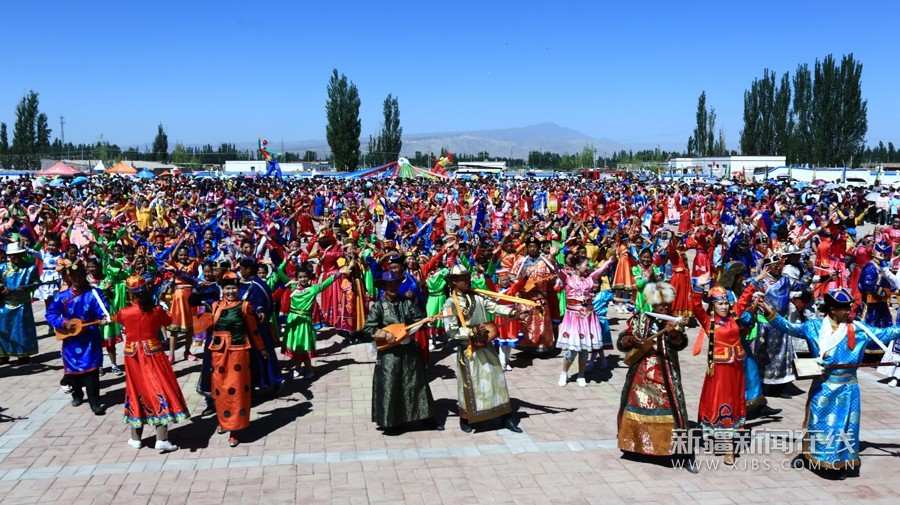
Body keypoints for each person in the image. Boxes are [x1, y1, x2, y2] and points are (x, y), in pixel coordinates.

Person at [760, 289, 900, 479]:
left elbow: (887, 333)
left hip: (848, 387)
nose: (849, 312)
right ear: (832, 310)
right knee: (818, 424)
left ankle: (838, 462)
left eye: (849, 308)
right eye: (845, 309)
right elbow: (789, 327)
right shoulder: (813, 326)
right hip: (823, 386)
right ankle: (812, 457)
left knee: (844, 426)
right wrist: (770, 312)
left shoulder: (860, 330)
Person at [616, 282, 697, 473]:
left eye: (667, 304)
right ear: (653, 305)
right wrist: (631, 340)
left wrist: (675, 334)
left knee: (676, 412)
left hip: (666, 373)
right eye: (661, 304)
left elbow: (681, 344)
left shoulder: (675, 321)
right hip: (641, 375)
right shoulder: (640, 319)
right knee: (636, 409)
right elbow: (621, 342)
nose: (665, 308)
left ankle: (682, 455)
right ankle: (636, 448)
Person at [442, 265, 529, 433]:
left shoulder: (478, 296)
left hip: (486, 346)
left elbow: (494, 307)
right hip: (468, 350)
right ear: (454, 281)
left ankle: (506, 417)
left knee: (497, 381)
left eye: (468, 277)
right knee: (470, 384)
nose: (467, 281)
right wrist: (472, 331)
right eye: (463, 279)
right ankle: (466, 418)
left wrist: (513, 313)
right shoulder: (449, 303)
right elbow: (450, 330)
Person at [116, 275, 189, 452]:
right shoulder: (156, 310)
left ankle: (136, 438)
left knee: (135, 390)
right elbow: (169, 320)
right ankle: (161, 438)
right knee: (159, 388)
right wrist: (162, 301)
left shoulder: (124, 313)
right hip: (153, 354)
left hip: (132, 356)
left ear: (130, 295)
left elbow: (117, 319)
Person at [364, 271, 442, 431]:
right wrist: (384, 334)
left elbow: (418, 321)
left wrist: (429, 323)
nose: (393, 287)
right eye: (390, 285)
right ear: (384, 287)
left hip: (409, 351)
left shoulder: (407, 303)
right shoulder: (379, 306)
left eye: (395, 284)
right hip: (389, 353)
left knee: (416, 383)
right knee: (390, 384)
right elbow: (368, 327)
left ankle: (425, 417)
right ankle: (392, 421)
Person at [691, 285, 758, 465]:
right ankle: (725, 445)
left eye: (726, 303)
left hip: (735, 368)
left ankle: (726, 442)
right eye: (720, 304)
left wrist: (754, 282)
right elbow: (696, 307)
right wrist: (698, 287)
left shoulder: (734, 317)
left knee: (735, 401)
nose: (724, 307)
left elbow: (744, 300)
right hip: (719, 371)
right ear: (713, 306)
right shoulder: (708, 321)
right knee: (720, 402)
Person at [46, 261, 112, 415]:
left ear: (85, 276)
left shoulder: (94, 293)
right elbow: (50, 314)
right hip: (71, 339)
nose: (77, 278)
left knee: (92, 370)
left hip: (89, 337)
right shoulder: (62, 297)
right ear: (69, 277)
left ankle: (95, 402)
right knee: (73, 369)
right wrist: (63, 322)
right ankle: (77, 394)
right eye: (73, 275)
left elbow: (103, 308)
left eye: (80, 275)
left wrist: (103, 317)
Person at [209, 274, 267, 447]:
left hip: (238, 352)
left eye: (234, 288)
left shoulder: (245, 306)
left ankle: (234, 430)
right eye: (227, 288)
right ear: (223, 290)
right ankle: (223, 421)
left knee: (236, 391)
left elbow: (254, 330)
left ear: (239, 289)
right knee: (219, 390)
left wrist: (261, 348)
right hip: (218, 353)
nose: (231, 291)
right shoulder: (214, 306)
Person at [555, 256, 614, 387]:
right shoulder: (568, 278)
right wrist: (553, 257)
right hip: (573, 317)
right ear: (577, 266)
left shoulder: (590, 279)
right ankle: (564, 373)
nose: (588, 268)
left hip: (588, 316)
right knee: (572, 349)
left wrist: (610, 260)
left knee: (584, 349)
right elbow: (556, 269)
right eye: (586, 265)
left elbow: (601, 269)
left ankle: (581, 375)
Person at [511, 236, 557, 352]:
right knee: (525, 321)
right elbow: (512, 276)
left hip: (540, 296)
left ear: (539, 248)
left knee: (541, 322)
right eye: (530, 247)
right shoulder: (521, 261)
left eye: (534, 247)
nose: (532, 249)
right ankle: (525, 346)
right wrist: (521, 285)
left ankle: (542, 347)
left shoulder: (545, 261)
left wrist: (552, 257)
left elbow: (553, 276)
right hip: (525, 297)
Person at [0, 242, 40, 364]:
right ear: (8, 256)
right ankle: (3, 354)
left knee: (22, 330)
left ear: (22, 254)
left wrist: (29, 288)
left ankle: (23, 355)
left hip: (23, 304)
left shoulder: (31, 268)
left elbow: (37, 282)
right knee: (4, 329)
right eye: (13, 256)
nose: (16, 258)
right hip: (5, 304)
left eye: (18, 255)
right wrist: (1, 287)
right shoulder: (2, 268)